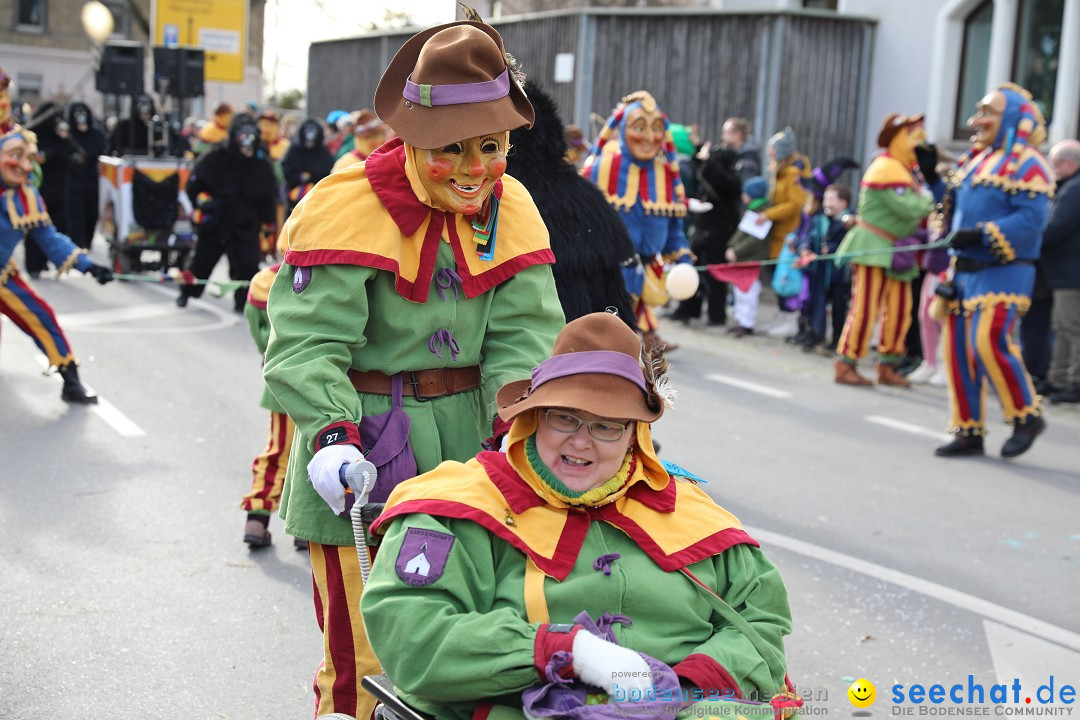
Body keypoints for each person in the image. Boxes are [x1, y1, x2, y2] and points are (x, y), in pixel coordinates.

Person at [261, 21, 565, 719]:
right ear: (411, 137)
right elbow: (306, 343)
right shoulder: (345, 205)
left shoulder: (511, 205)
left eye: (491, 147)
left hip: (474, 448)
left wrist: (515, 435)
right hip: (364, 446)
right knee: (363, 661)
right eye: (451, 148)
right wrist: (331, 433)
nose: (473, 168)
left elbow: (524, 335)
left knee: (469, 646)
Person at [361, 312, 797, 720]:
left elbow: (761, 623)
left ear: (635, 437)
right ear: (533, 418)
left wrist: (686, 689)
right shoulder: (456, 504)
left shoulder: (692, 511)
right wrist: (570, 653)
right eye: (565, 418)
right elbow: (414, 639)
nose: (582, 442)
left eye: (607, 425)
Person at [934, 84, 1053, 459]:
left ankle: (1026, 415)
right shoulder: (975, 159)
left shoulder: (1029, 162)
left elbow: (1033, 219)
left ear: (1013, 118)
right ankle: (969, 430)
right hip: (964, 269)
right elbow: (953, 208)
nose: (977, 120)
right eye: (979, 111)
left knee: (989, 341)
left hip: (1005, 270)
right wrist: (933, 178)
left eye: (989, 112)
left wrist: (983, 233)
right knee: (958, 350)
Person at [0, 74, 114, 404]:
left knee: (43, 317)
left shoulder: (25, 197)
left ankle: (71, 380)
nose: (23, 165)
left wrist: (89, 265)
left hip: (3, 276)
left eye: (26, 157)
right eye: (14, 157)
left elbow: (50, 239)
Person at [506, 80, 635, 324]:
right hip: (589, 350)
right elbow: (616, 304)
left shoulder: (498, 198)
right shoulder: (590, 200)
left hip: (523, 352)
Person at [582, 91, 693, 350]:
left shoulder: (668, 176)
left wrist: (684, 259)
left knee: (635, 337)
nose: (649, 137)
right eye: (639, 127)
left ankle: (646, 343)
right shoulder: (599, 170)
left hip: (648, 269)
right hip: (607, 271)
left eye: (655, 128)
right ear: (623, 128)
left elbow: (675, 227)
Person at [833, 113, 933, 387]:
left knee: (901, 309)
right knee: (865, 307)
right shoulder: (886, 167)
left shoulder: (904, 169)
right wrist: (929, 197)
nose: (920, 143)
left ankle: (889, 364)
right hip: (874, 246)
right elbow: (909, 208)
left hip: (897, 249)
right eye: (915, 137)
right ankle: (846, 363)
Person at [239, 231, 305, 550]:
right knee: (323, 449)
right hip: (332, 382)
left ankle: (258, 515)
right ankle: (307, 526)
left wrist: (268, 358)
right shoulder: (330, 276)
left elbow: (255, 326)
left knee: (278, 449)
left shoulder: (264, 281)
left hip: (280, 380)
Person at [178, 113, 276, 312]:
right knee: (201, 262)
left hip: (246, 225)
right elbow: (193, 186)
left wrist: (268, 226)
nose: (247, 148)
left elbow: (268, 198)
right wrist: (204, 203)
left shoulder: (262, 164)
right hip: (216, 221)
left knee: (248, 267)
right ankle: (186, 293)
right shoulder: (215, 157)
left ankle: (244, 304)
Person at [669, 144, 742, 327]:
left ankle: (716, 314)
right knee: (692, 272)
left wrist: (710, 161)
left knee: (715, 277)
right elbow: (698, 166)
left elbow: (721, 182)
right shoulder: (709, 174)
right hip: (701, 231)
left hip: (719, 234)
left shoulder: (731, 181)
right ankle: (687, 309)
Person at [23, 102, 83, 277]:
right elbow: (36, 158)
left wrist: (67, 147)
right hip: (38, 190)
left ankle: (49, 260)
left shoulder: (62, 138)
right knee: (36, 228)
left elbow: (79, 157)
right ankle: (34, 264)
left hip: (61, 191)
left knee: (59, 226)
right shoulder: (34, 137)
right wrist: (50, 153)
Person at [1042, 139, 1080, 404]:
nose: (1053, 170)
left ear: (1069, 163)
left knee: (1070, 326)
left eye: (1055, 165)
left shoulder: (1074, 190)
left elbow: (1056, 228)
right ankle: (1059, 379)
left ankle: (1072, 381)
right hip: (1068, 269)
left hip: (1071, 271)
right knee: (1063, 324)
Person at [724, 176, 771, 337]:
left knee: (748, 292)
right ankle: (740, 320)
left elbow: (753, 239)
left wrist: (736, 251)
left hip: (751, 259)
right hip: (743, 258)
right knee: (739, 291)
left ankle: (747, 322)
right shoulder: (752, 209)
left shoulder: (762, 214)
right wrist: (732, 247)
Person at [65, 102, 107, 251]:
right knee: (76, 214)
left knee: (91, 213)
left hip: (92, 181)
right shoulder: (69, 135)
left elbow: (104, 153)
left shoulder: (97, 134)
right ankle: (77, 243)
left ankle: (87, 241)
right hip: (73, 181)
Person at [280, 118, 334, 215]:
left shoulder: (323, 152)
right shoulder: (294, 149)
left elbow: (327, 173)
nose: (309, 143)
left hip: (316, 197)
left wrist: (311, 178)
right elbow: (286, 168)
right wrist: (301, 177)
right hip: (294, 195)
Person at [331, 108, 388, 172]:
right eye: (367, 138)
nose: (376, 141)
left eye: (379, 135)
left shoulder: (386, 158)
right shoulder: (346, 163)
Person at [721, 116, 762, 182]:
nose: (723, 136)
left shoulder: (748, 158)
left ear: (738, 135)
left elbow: (746, 184)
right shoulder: (736, 153)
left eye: (727, 132)